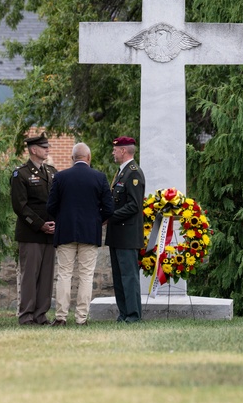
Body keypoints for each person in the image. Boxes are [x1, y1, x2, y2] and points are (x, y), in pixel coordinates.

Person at [46, 142, 114, 326]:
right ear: (89, 158)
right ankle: (81, 318)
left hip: (65, 231)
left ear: (72, 158)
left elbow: (50, 206)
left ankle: (61, 317)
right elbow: (109, 208)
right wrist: (96, 221)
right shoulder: (99, 177)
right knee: (86, 275)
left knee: (64, 274)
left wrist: (62, 218)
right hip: (89, 232)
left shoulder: (60, 177)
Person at [10, 133, 57, 326]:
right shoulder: (20, 174)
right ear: (33, 150)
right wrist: (40, 225)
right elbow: (20, 206)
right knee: (29, 275)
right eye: (44, 147)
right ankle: (27, 315)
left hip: (50, 233)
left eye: (47, 147)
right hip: (31, 233)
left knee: (46, 276)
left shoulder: (52, 172)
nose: (47, 150)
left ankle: (41, 315)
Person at [105, 136, 145, 324]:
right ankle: (123, 314)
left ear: (123, 151)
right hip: (117, 234)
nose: (113, 152)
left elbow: (134, 205)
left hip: (127, 234)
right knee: (119, 277)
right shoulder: (122, 173)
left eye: (115, 149)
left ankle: (133, 315)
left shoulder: (133, 173)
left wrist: (110, 217)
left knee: (129, 277)